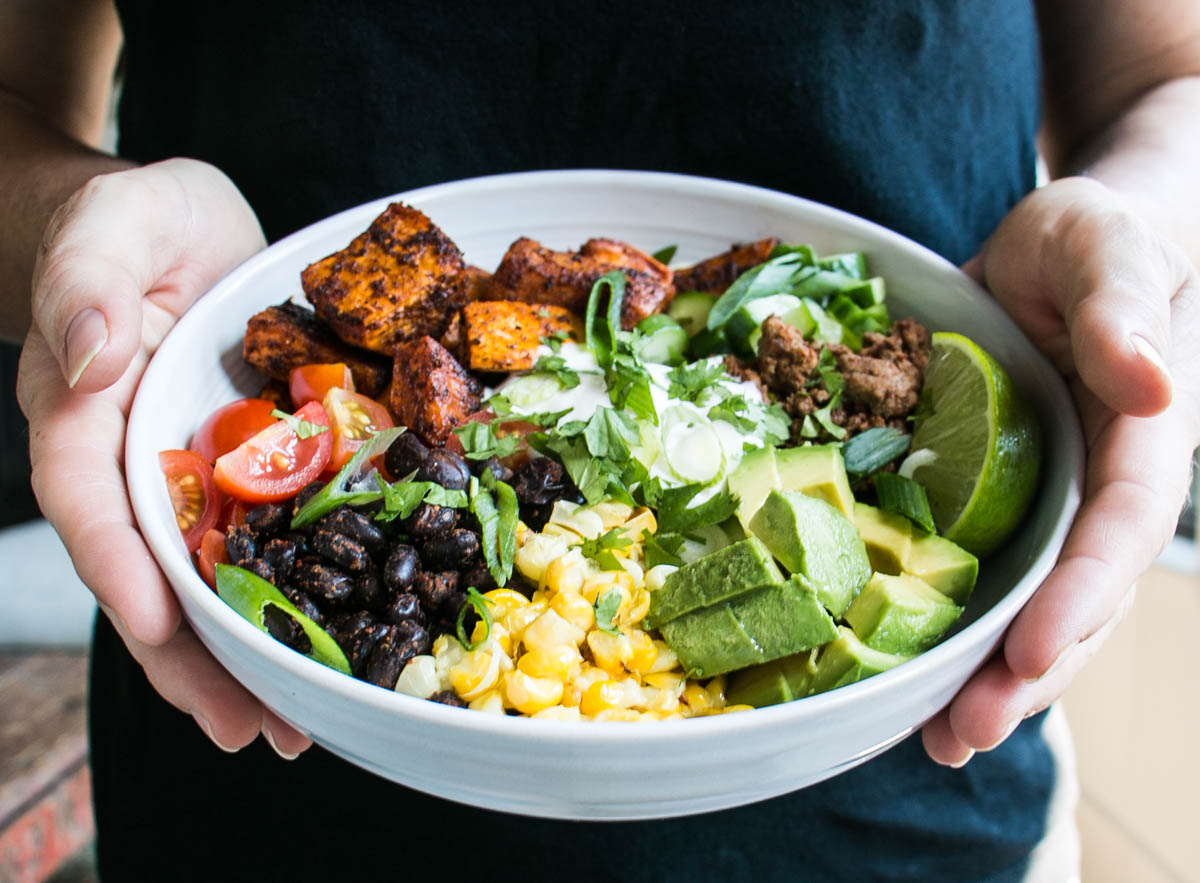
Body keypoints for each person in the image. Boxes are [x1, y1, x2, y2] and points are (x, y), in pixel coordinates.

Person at [3, 1, 1198, 880]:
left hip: (905, 800)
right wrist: (66, 222)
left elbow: (1167, 71)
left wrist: (1145, 236)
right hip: (266, 793)